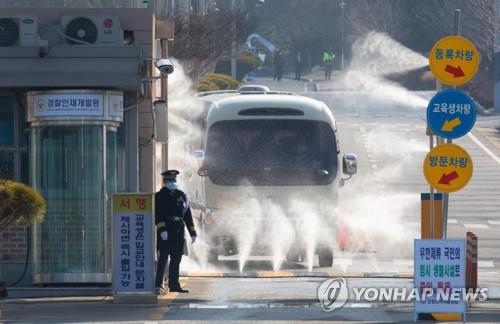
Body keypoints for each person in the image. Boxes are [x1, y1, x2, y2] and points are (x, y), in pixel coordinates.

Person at [155, 170, 197, 294]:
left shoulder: (182, 195)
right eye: (169, 180)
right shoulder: (159, 196)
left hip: (178, 231)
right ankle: (158, 284)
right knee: (163, 258)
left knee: (176, 259)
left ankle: (174, 285)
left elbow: (187, 215)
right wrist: (162, 229)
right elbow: (158, 215)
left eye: (174, 180)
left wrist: (193, 232)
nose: (172, 182)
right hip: (166, 230)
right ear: (164, 182)